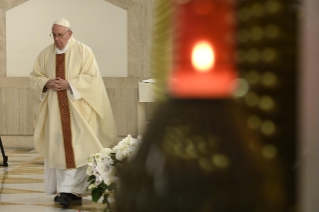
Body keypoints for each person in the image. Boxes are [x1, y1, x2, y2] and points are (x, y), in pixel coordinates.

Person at [29, 18, 118, 207]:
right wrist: (46, 83)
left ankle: (71, 191)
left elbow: (93, 79)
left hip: (79, 112)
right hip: (55, 111)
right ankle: (66, 190)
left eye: (60, 35)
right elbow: (35, 76)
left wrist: (70, 84)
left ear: (70, 33)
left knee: (80, 148)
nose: (56, 39)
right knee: (59, 148)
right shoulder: (45, 54)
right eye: (53, 35)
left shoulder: (84, 51)